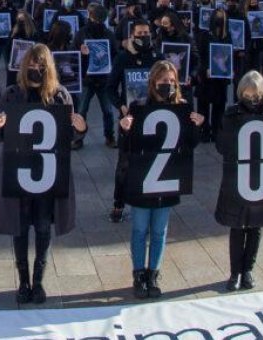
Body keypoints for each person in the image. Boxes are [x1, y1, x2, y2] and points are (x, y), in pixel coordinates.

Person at [0, 44, 87, 304]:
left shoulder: (60, 95)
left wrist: (80, 128)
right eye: (31, 66)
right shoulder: (11, 94)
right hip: (17, 169)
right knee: (19, 228)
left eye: (40, 66)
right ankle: (23, 280)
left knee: (43, 227)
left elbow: (70, 137)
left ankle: (39, 280)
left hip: (48, 172)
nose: (35, 70)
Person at [121, 61, 205, 300]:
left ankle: (154, 274)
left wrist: (197, 127)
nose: (167, 85)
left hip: (167, 180)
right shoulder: (139, 107)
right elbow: (128, 147)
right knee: (139, 229)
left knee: (159, 231)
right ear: (152, 82)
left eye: (171, 81)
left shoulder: (182, 108)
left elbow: (189, 145)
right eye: (163, 81)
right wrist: (125, 128)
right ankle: (139, 274)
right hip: (143, 180)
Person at [215, 70, 263, 291]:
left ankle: (248, 270)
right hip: (239, 178)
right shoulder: (231, 114)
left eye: (256, 96)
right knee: (237, 226)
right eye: (248, 96)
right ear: (241, 94)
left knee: (256, 226)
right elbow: (221, 146)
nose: (252, 100)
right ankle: (234, 272)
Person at [107, 18, 164, 223]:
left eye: (146, 33)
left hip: (153, 118)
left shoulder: (158, 58)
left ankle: (147, 200)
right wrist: (121, 106)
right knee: (124, 163)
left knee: (150, 160)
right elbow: (110, 88)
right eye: (139, 34)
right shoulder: (123, 58)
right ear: (132, 35)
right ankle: (118, 203)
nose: (143, 37)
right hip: (129, 119)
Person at [71, 3, 118, 149]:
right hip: (87, 78)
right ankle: (78, 137)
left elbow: (115, 55)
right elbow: (73, 54)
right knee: (82, 110)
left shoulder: (108, 35)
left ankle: (109, 136)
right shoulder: (82, 33)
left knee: (107, 110)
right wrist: (80, 51)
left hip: (103, 78)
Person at [196, 9, 231, 142]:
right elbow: (200, 55)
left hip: (221, 78)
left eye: (222, 17)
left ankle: (216, 131)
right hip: (206, 78)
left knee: (219, 106)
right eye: (217, 17)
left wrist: (230, 70)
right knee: (203, 106)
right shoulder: (205, 35)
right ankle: (204, 131)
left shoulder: (227, 36)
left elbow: (229, 55)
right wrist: (205, 70)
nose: (219, 20)